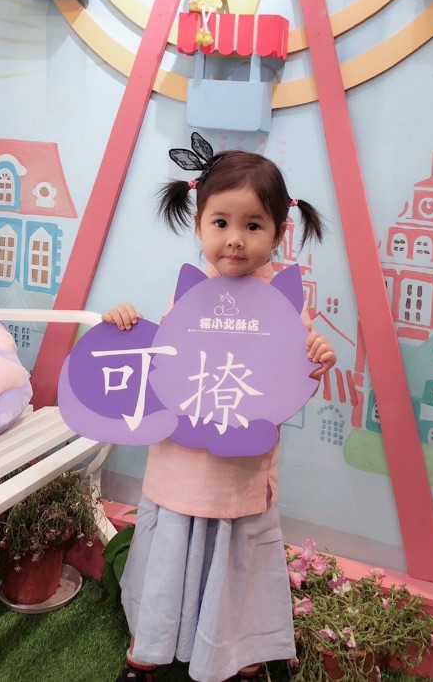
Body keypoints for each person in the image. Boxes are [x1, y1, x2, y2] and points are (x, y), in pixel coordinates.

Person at [103, 135, 337, 682]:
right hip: (180, 464)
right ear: (199, 225)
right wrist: (124, 325)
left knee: (236, 564)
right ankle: (146, 653)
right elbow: (160, 362)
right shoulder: (190, 292)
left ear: (280, 232)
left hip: (239, 474)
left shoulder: (282, 300)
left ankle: (238, 657)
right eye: (221, 222)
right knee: (167, 554)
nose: (235, 238)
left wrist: (318, 356)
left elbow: (293, 377)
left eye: (253, 225)